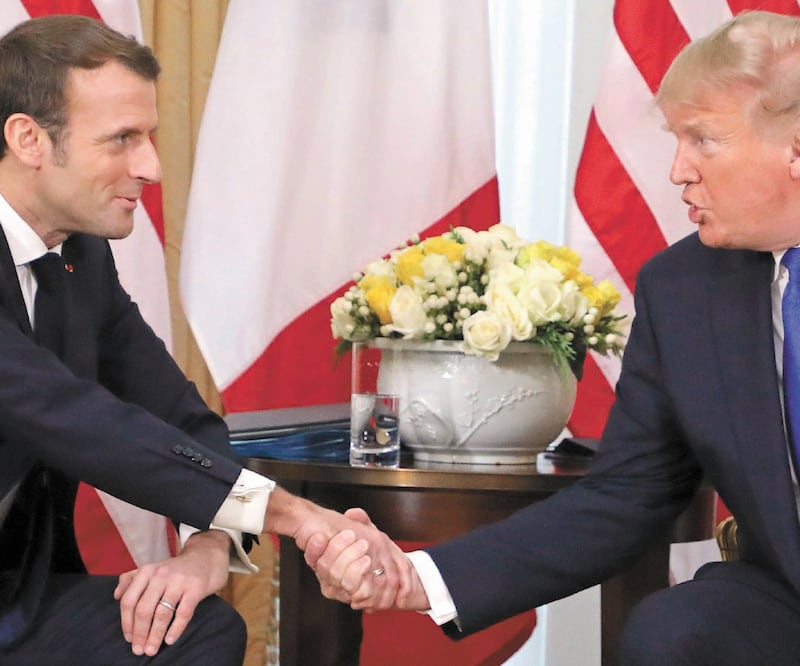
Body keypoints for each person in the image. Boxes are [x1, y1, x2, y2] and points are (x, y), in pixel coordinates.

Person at [307, 10, 800, 664]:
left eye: (703, 140)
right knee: (675, 633)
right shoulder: (685, 289)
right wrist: (417, 578)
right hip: (783, 598)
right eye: (677, 141)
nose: (678, 170)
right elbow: (627, 492)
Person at [0, 15, 411, 666]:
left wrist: (209, 549)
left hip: (18, 605)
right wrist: (294, 517)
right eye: (123, 140)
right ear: (28, 139)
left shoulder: (80, 260)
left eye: (150, 137)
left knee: (198, 627)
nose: (152, 167)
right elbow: (76, 420)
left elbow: (186, 423)